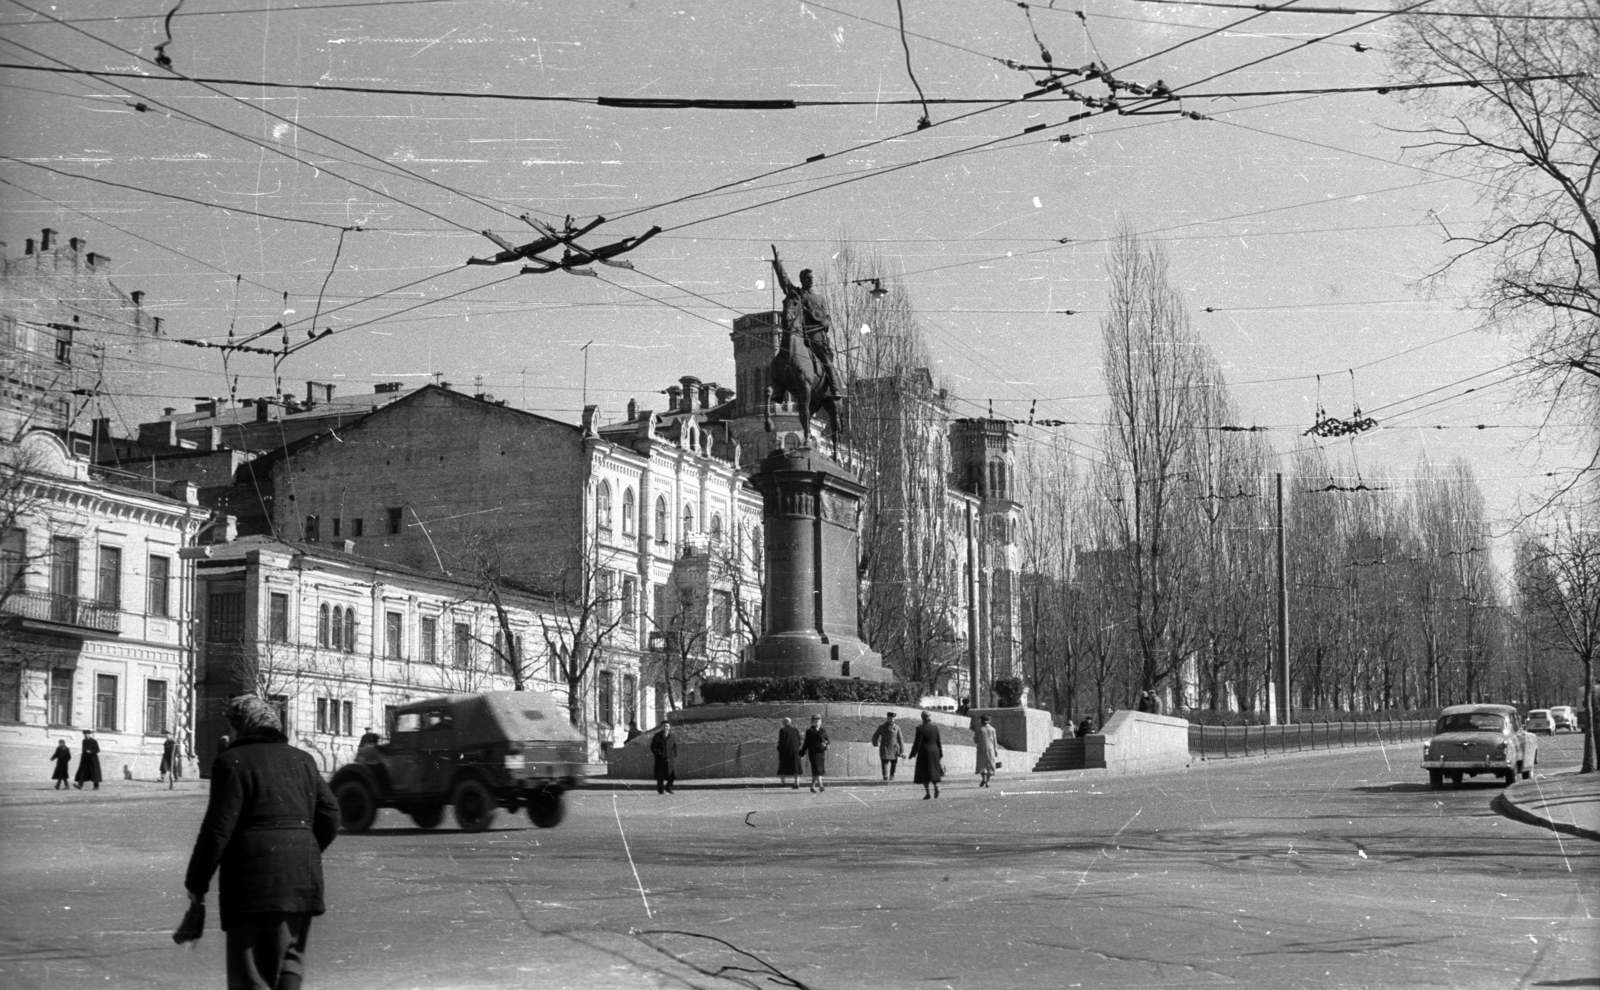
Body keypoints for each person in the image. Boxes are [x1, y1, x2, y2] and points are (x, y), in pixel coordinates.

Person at [181, 694, 339, 990]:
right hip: (300, 876)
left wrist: (196, 885)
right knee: (289, 960)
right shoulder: (303, 759)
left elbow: (217, 830)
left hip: (251, 881)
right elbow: (331, 814)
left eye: (230, 725)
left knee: (251, 972)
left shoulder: (231, 762)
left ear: (241, 726)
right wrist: (304, 849)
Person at [910, 711, 943, 800]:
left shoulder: (920, 728)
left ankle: (928, 793)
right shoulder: (935, 728)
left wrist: (912, 753)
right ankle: (936, 786)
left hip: (924, 753)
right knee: (934, 771)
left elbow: (918, 742)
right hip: (935, 752)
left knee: (925, 774)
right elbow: (938, 741)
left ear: (922, 718)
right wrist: (940, 754)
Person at [870, 712, 905, 782]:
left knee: (894, 762)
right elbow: (876, 735)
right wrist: (875, 742)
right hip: (885, 747)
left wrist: (902, 750)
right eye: (890, 718)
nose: (891, 720)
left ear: (894, 719)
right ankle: (885, 775)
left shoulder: (897, 728)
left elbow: (900, 739)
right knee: (884, 761)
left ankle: (892, 775)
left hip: (894, 748)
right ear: (887, 718)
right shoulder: (882, 727)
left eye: (893, 718)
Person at [798, 714, 829, 793]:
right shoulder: (809, 731)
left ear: (820, 722)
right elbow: (806, 743)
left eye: (818, 722)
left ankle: (812, 786)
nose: (817, 723)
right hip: (813, 753)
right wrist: (802, 753)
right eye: (815, 722)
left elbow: (826, 740)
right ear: (812, 722)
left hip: (821, 752)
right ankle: (821, 785)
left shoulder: (823, 730)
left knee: (817, 771)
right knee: (817, 770)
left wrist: (826, 744)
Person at [650, 722, 677, 795]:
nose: (666, 727)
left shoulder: (672, 736)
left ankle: (668, 788)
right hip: (661, 759)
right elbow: (653, 747)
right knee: (660, 776)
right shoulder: (657, 736)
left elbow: (674, 746)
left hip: (670, 759)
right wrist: (659, 754)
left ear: (669, 727)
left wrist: (674, 754)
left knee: (672, 775)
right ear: (662, 727)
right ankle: (660, 790)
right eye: (664, 726)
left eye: (667, 726)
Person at [775, 717, 803, 789]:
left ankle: (783, 782)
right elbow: (799, 742)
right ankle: (797, 783)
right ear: (790, 722)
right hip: (795, 751)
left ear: (783, 723)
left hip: (786, 751)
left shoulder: (782, 730)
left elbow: (782, 742)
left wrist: (778, 748)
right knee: (796, 767)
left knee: (783, 766)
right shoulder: (796, 730)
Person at [972, 714, 999, 788]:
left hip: (981, 749)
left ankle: (984, 779)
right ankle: (987, 781)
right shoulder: (993, 729)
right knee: (991, 766)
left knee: (982, 766)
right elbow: (995, 741)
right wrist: (996, 750)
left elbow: (975, 740)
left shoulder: (979, 729)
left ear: (981, 721)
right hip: (991, 749)